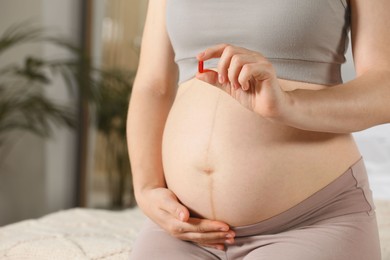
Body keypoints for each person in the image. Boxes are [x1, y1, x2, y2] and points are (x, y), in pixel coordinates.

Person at [127, 0, 389, 259]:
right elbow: (152, 86)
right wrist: (146, 188)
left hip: (310, 223)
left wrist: (289, 104)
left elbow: (384, 87)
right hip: (184, 230)